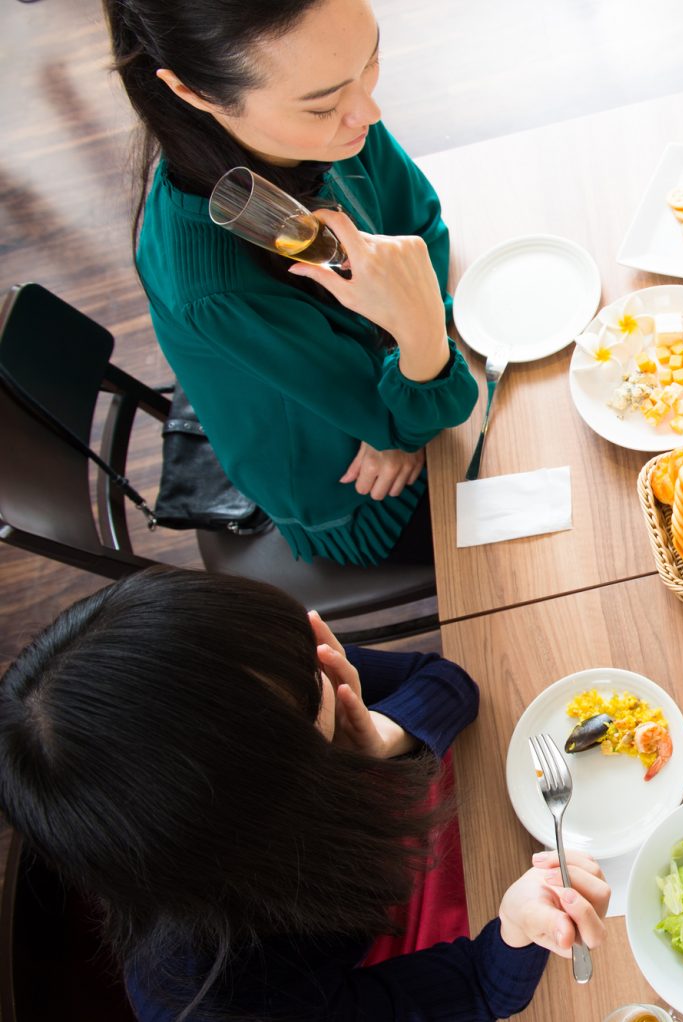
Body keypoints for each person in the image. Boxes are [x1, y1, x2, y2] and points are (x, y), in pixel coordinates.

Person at [0, 567, 608, 1020]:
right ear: (284, 803)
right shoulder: (245, 998)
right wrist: (518, 928)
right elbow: (478, 988)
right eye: (310, 686)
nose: (326, 667)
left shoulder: (246, 669)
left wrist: (382, 738)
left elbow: (445, 681)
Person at [105, 0, 480, 565]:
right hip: (360, 493)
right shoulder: (215, 286)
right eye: (323, 106)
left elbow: (421, 228)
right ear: (196, 92)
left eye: (370, 62)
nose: (369, 112)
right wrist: (417, 343)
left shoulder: (326, 114)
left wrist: (412, 356)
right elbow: (425, 412)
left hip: (396, 403)